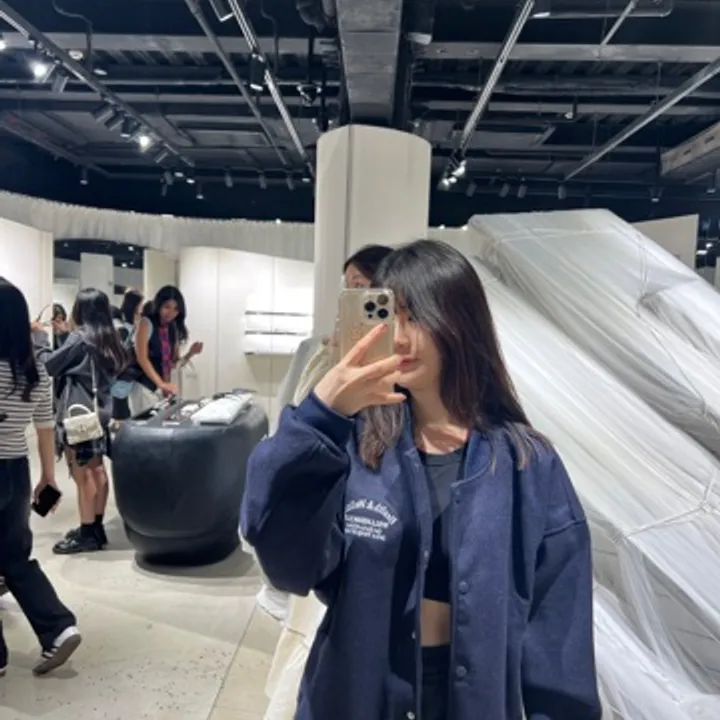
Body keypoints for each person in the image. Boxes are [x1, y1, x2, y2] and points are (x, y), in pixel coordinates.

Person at [242, 240, 601, 720]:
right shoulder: (356, 444)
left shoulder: (526, 464)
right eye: (390, 317)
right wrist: (320, 415)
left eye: (416, 317)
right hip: (356, 697)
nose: (400, 338)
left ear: (459, 322)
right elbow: (285, 561)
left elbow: (558, 629)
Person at [262, 244, 393, 720]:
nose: (355, 298)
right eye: (349, 289)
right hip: (322, 501)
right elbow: (294, 421)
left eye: (364, 287)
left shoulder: (405, 363)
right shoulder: (320, 352)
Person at [0, 278, 82, 676]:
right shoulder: (33, 371)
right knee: (15, 557)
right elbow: (45, 426)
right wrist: (48, 476)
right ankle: (58, 628)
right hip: (16, 470)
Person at [34, 288, 126, 555]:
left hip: (78, 415)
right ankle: (96, 527)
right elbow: (82, 362)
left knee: (83, 473)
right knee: (98, 470)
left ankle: (86, 534)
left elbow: (51, 364)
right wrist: (66, 335)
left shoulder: (80, 338)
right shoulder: (109, 338)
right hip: (99, 412)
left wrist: (40, 339)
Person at [129, 286, 203, 416]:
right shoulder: (146, 323)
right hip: (145, 388)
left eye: (176, 309)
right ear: (159, 305)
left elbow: (173, 363)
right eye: (167, 307)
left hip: (163, 390)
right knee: (146, 425)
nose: (171, 312)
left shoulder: (173, 328)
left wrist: (191, 353)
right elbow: (142, 358)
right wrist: (161, 384)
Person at [110, 289, 144, 424]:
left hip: (128, 374)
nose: (142, 307)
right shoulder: (122, 326)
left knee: (124, 411)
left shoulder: (131, 323)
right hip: (123, 375)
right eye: (141, 304)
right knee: (121, 414)